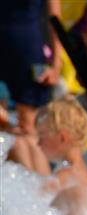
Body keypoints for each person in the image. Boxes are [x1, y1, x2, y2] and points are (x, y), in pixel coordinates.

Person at [7, 98, 87, 215]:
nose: (38, 143)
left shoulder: (65, 176)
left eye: (42, 136)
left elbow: (32, 205)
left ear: (62, 137)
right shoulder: (83, 172)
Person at [0, 0, 63, 135]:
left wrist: (57, 63)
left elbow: (55, 17)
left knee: (30, 123)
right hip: (28, 48)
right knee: (21, 124)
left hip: (31, 52)